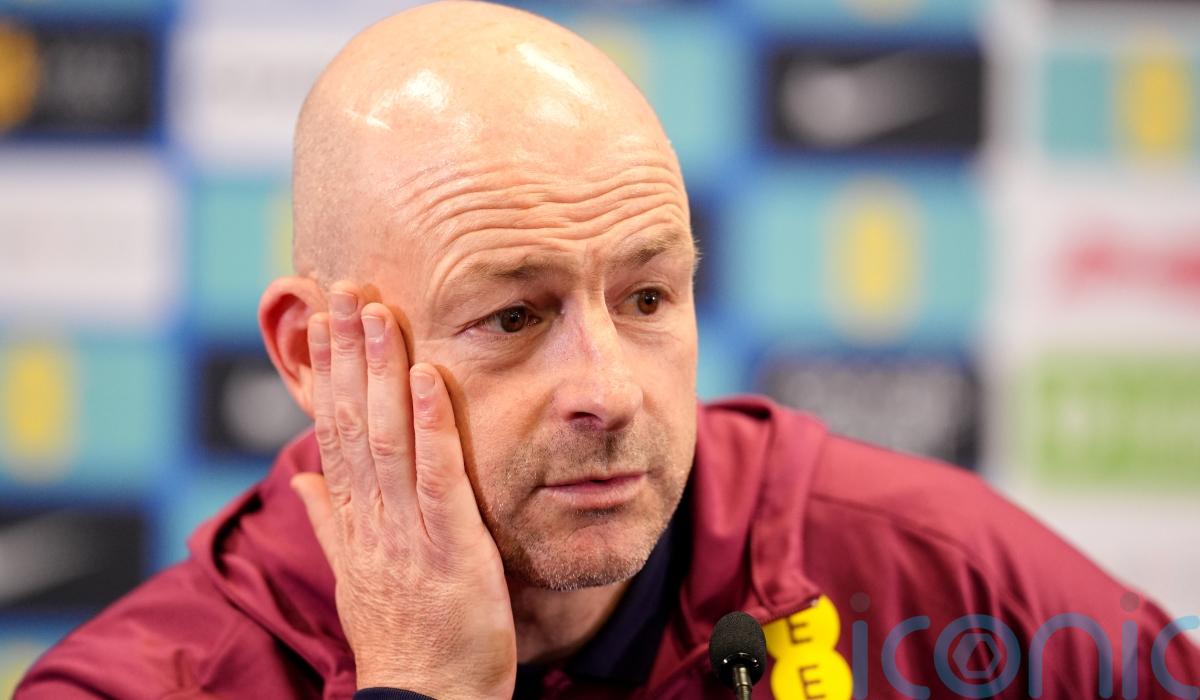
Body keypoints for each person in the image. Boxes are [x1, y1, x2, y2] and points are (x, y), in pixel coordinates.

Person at [16, 2, 1200, 698]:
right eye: (514, 316)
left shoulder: (926, 574)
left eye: (646, 296)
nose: (609, 390)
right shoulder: (148, 682)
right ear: (314, 354)